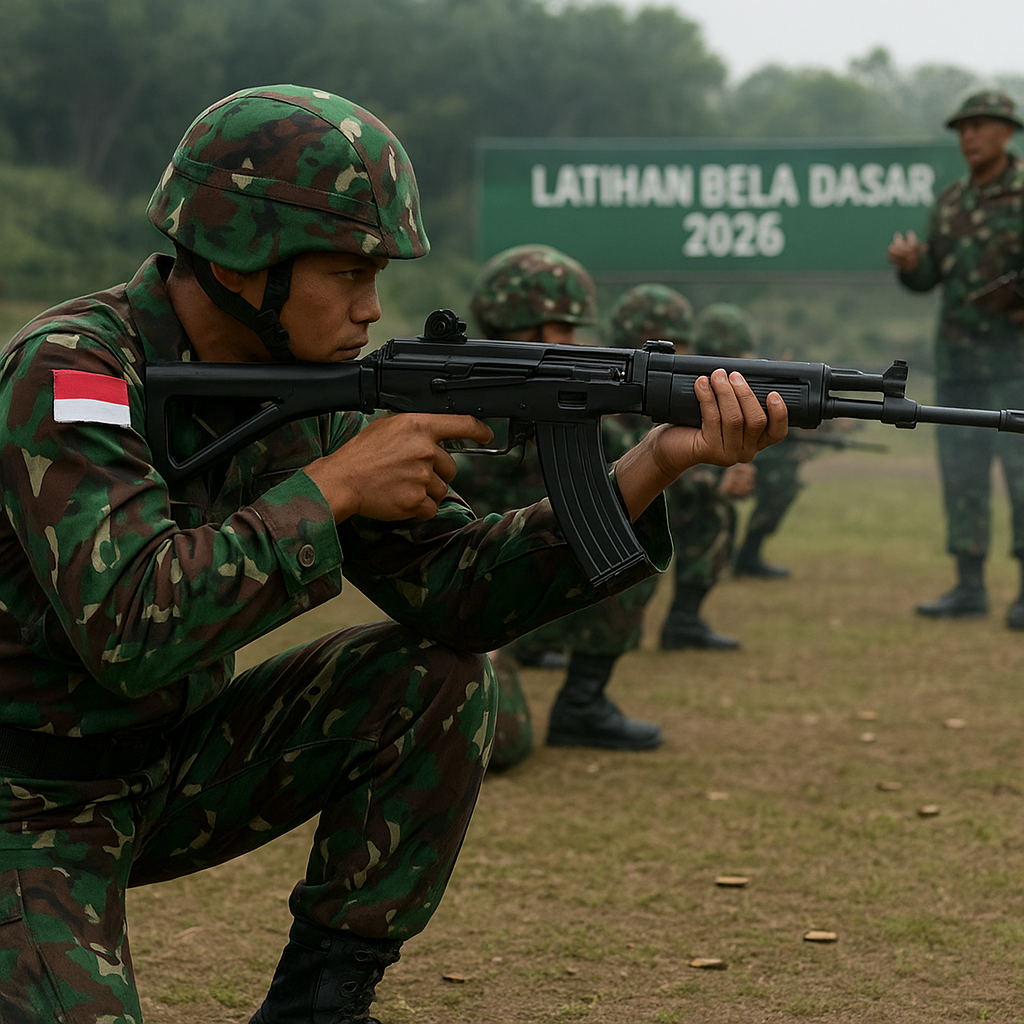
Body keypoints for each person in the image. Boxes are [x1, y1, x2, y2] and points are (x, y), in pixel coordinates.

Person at [0, 85, 789, 1023]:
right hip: (27, 801)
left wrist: (653, 463)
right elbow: (131, 626)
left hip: (163, 771)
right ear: (246, 255)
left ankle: (320, 1006)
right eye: (346, 273)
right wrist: (331, 490)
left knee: (441, 672)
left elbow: (462, 596)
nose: (373, 308)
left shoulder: (301, 391)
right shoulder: (74, 374)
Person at [456, 247, 665, 762]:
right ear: (503, 326)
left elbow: (619, 453)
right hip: (465, 585)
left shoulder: (570, 391)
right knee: (502, 745)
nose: (561, 345)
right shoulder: (450, 394)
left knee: (625, 534)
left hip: (534, 574)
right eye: (542, 331)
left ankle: (582, 704)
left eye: (569, 331)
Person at [888, 89, 1024, 627]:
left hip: (1017, 365)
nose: (968, 136)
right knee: (962, 473)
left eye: (980, 125)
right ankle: (969, 587)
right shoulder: (949, 202)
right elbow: (929, 281)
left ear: (1007, 131)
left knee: (1023, 474)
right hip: (960, 365)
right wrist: (910, 264)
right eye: (962, 128)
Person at [603, 285, 750, 650]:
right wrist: (714, 484)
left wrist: (717, 479)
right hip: (594, 506)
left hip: (639, 498)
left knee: (711, 512)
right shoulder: (606, 388)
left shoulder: (671, 389)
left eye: (682, 344)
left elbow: (669, 457)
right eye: (665, 343)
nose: (678, 354)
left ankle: (683, 621)